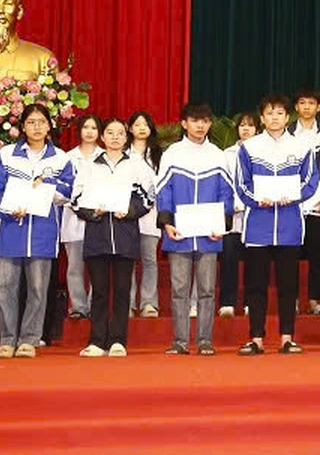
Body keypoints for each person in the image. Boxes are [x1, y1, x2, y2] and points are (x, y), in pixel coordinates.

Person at [0, 104, 74, 358]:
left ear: (49, 126)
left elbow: (70, 190)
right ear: (22, 126)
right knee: (5, 286)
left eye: (41, 122)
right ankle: (7, 339)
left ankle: (30, 339)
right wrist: (7, 210)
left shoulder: (61, 158)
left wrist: (47, 184)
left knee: (38, 288)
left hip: (43, 233)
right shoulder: (7, 155)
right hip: (10, 229)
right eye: (31, 122)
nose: (36, 127)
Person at [236, 94, 319, 355]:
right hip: (257, 225)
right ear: (262, 118)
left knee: (288, 286)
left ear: (287, 116)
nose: (274, 118)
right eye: (269, 113)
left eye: (280, 113)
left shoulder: (302, 146)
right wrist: (255, 200)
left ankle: (287, 337)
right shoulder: (248, 148)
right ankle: (256, 339)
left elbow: (311, 181)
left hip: (289, 224)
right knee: (256, 285)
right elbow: (241, 183)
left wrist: (294, 196)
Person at [156, 102, 235, 356]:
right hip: (179, 233)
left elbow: (226, 192)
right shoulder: (172, 154)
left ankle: (204, 341)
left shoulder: (217, 155)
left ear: (210, 124)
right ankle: (179, 341)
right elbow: (163, 191)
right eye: (195, 120)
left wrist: (221, 225)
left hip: (209, 234)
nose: (200, 125)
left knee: (207, 290)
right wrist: (167, 222)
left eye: (205, 121)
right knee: (179, 289)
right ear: (184, 123)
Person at [72, 118, 155, 357]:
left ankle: (119, 340)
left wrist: (129, 211)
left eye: (120, 133)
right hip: (97, 235)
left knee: (122, 290)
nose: (116, 137)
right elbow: (76, 198)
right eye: (110, 133)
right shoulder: (89, 165)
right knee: (98, 291)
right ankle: (97, 341)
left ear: (126, 137)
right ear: (102, 137)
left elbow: (148, 197)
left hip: (125, 234)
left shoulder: (136, 165)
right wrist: (92, 212)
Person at [288, 88, 320, 316]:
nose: (307, 107)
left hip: (319, 206)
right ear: (296, 107)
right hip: (291, 206)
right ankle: (291, 300)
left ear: (318, 108)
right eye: (302, 102)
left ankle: (314, 300)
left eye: (311, 103)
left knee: (316, 255)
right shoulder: (286, 133)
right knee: (290, 255)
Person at [219, 112, 258, 318]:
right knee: (229, 260)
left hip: (256, 216)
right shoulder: (227, 154)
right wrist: (233, 203)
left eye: (250, 126)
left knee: (254, 261)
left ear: (257, 130)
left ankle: (251, 303)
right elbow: (224, 183)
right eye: (242, 125)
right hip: (233, 216)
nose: (245, 129)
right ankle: (227, 302)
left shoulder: (263, 152)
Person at [62, 114, 101, 320]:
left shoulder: (106, 156)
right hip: (73, 219)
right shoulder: (67, 158)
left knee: (97, 266)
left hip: (99, 218)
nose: (89, 132)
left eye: (94, 128)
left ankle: (96, 305)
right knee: (74, 266)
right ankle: (78, 306)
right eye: (86, 127)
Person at [127, 110, 163, 318]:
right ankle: (130, 303)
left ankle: (149, 302)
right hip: (128, 215)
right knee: (129, 260)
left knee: (150, 259)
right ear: (130, 128)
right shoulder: (123, 153)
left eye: (145, 124)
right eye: (137, 124)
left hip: (151, 216)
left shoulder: (159, 154)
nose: (141, 128)